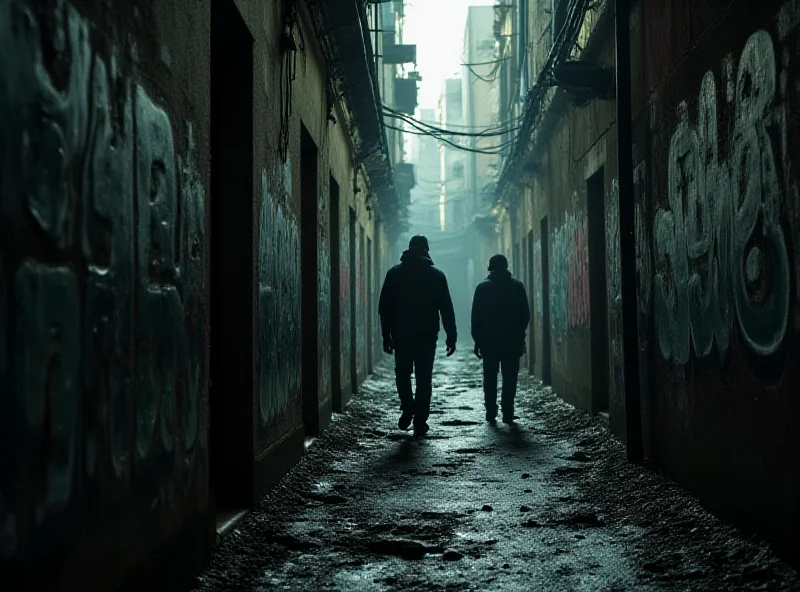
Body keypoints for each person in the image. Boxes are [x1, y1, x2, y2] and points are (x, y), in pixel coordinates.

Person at [378, 235, 457, 436]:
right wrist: (451, 336)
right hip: (426, 335)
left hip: (401, 334)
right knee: (424, 378)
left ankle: (407, 407)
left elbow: (384, 308)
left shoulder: (394, 274)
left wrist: (385, 335)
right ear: (426, 251)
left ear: (409, 249)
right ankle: (420, 420)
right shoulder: (436, 275)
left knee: (402, 374)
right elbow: (446, 308)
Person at [471, 254, 530, 424]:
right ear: (506, 266)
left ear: (490, 268)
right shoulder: (517, 287)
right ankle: (508, 411)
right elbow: (524, 315)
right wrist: (520, 336)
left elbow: (476, 318)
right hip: (512, 340)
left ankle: (491, 411)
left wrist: (478, 341)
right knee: (510, 377)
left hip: (489, 342)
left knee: (490, 376)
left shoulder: (482, 288)